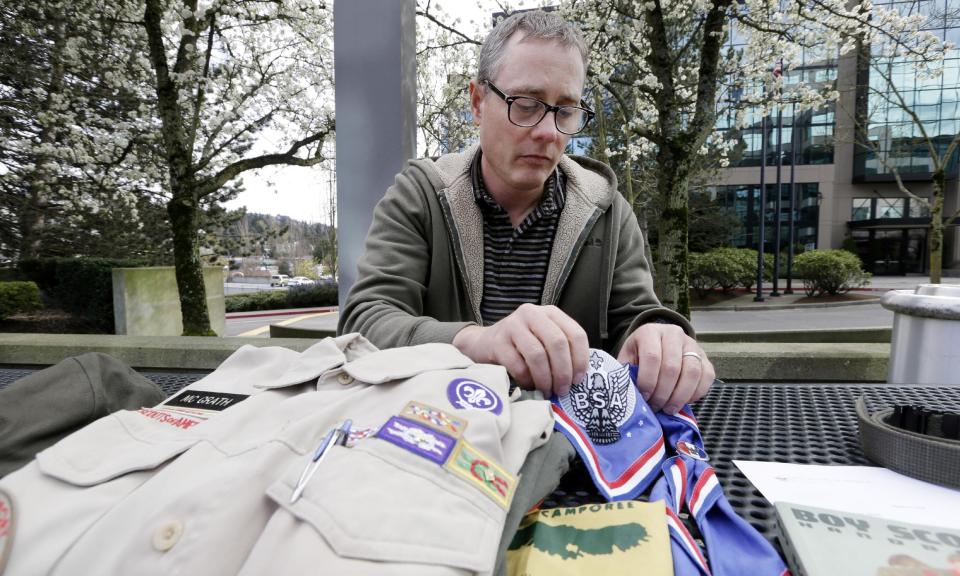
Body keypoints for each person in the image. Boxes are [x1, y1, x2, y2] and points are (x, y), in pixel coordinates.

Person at [338, 10, 714, 415]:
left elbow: (633, 318)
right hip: (433, 435)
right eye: (527, 104)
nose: (549, 132)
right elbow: (365, 322)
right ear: (478, 102)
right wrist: (479, 342)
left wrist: (660, 339)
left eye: (565, 110)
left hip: (573, 456)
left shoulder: (607, 210)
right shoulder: (421, 196)